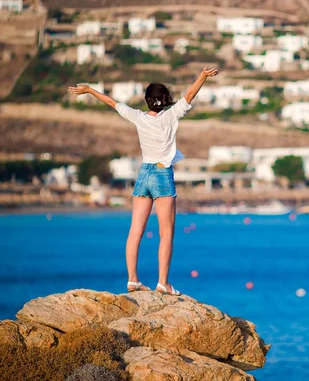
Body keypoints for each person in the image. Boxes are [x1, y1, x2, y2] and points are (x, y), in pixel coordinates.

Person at [68, 68, 219, 296]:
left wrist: (89, 90)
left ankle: (132, 280)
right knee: (166, 234)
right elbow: (189, 96)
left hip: (143, 174)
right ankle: (163, 283)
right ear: (166, 100)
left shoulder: (137, 116)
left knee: (135, 232)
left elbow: (112, 103)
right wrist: (203, 76)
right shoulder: (170, 116)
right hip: (161, 173)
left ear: (148, 101)